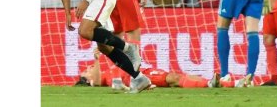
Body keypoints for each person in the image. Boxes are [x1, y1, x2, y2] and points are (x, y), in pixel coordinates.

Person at [76, 49, 222, 89]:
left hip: (141, 72)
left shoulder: (107, 72)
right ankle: (209, 84)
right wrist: (96, 59)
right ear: (89, 81)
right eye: (87, 71)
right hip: (138, 77)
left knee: (177, 76)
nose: (89, 68)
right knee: (174, 79)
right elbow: (96, 81)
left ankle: (228, 83)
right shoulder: (103, 79)